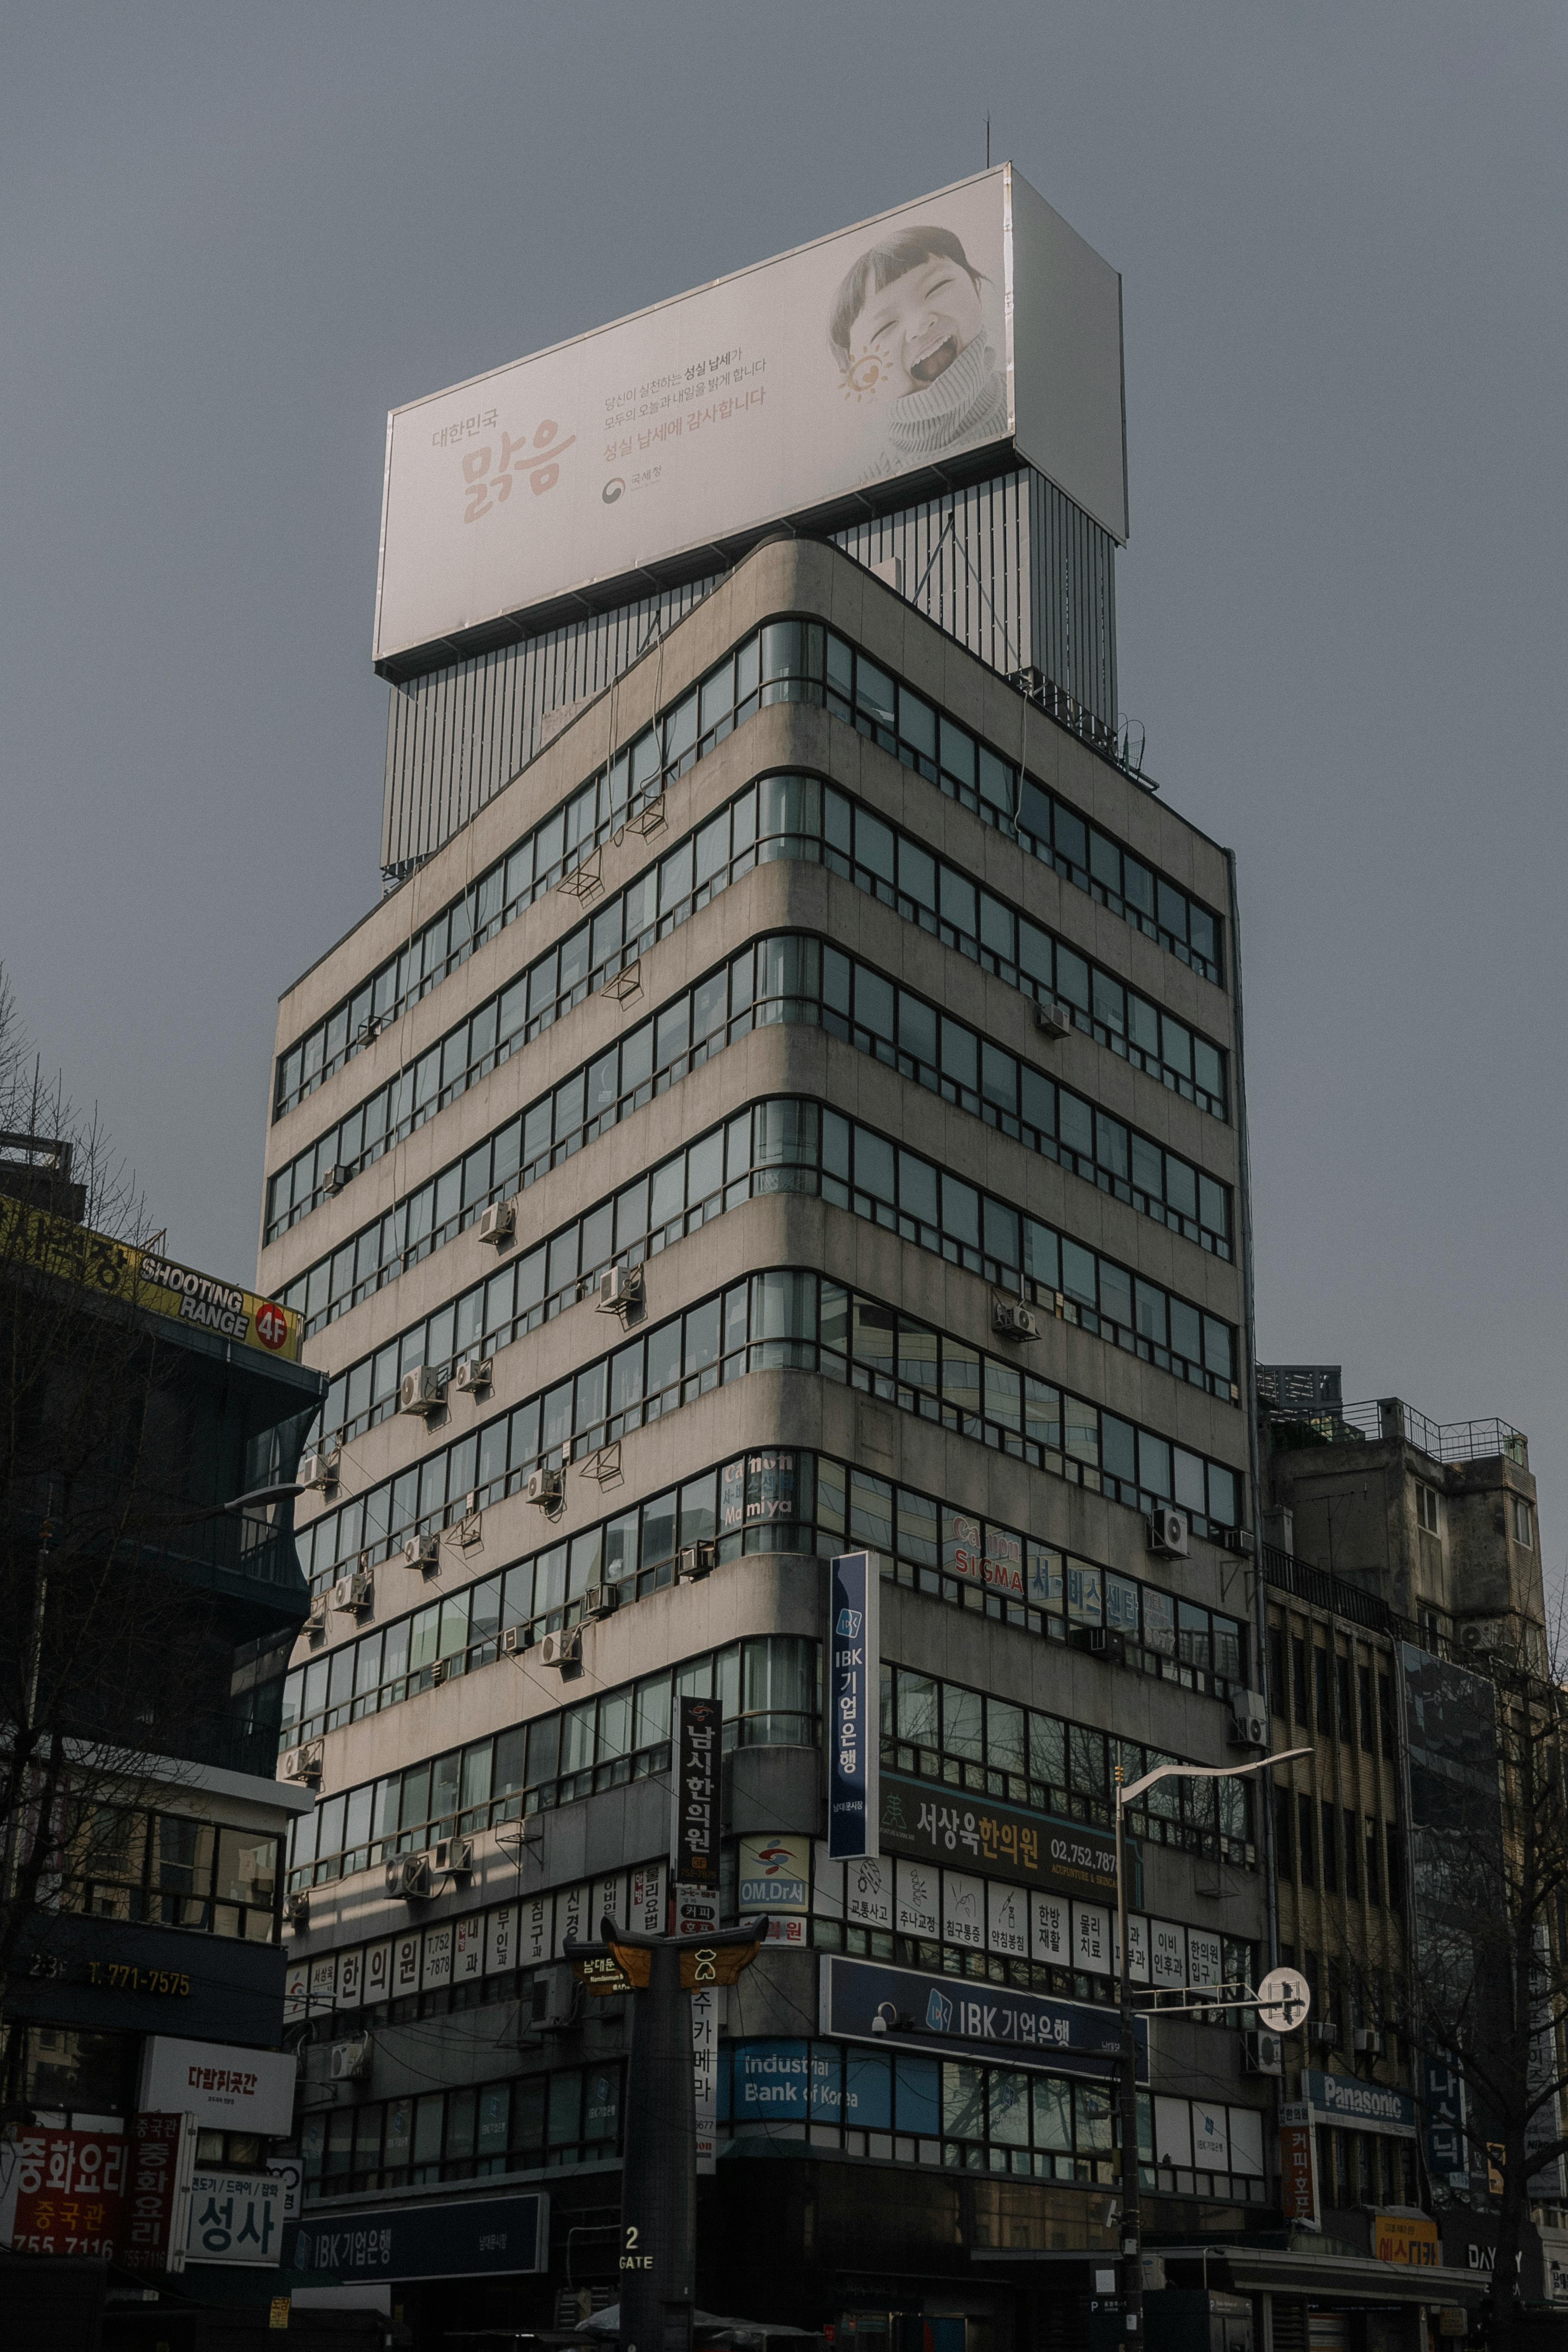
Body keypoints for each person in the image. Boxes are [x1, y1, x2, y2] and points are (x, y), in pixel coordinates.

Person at [828, 224, 1009, 477]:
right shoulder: (870, 482)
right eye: (886, 326)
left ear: (976, 289)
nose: (921, 324)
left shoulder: (1031, 399)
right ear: (859, 380)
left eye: (937, 287)